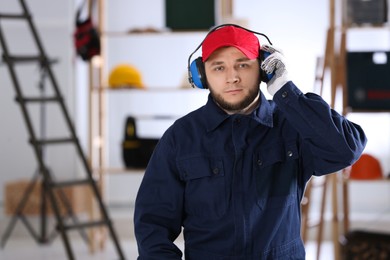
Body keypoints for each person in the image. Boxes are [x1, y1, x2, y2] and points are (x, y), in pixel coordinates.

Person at [134, 24, 367, 260]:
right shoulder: (181, 137)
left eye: (242, 65)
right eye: (218, 67)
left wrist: (286, 91)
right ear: (202, 76)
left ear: (263, 69)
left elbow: (345, 150)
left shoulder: (292, 123)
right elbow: (153, 224)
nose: (232, 77)